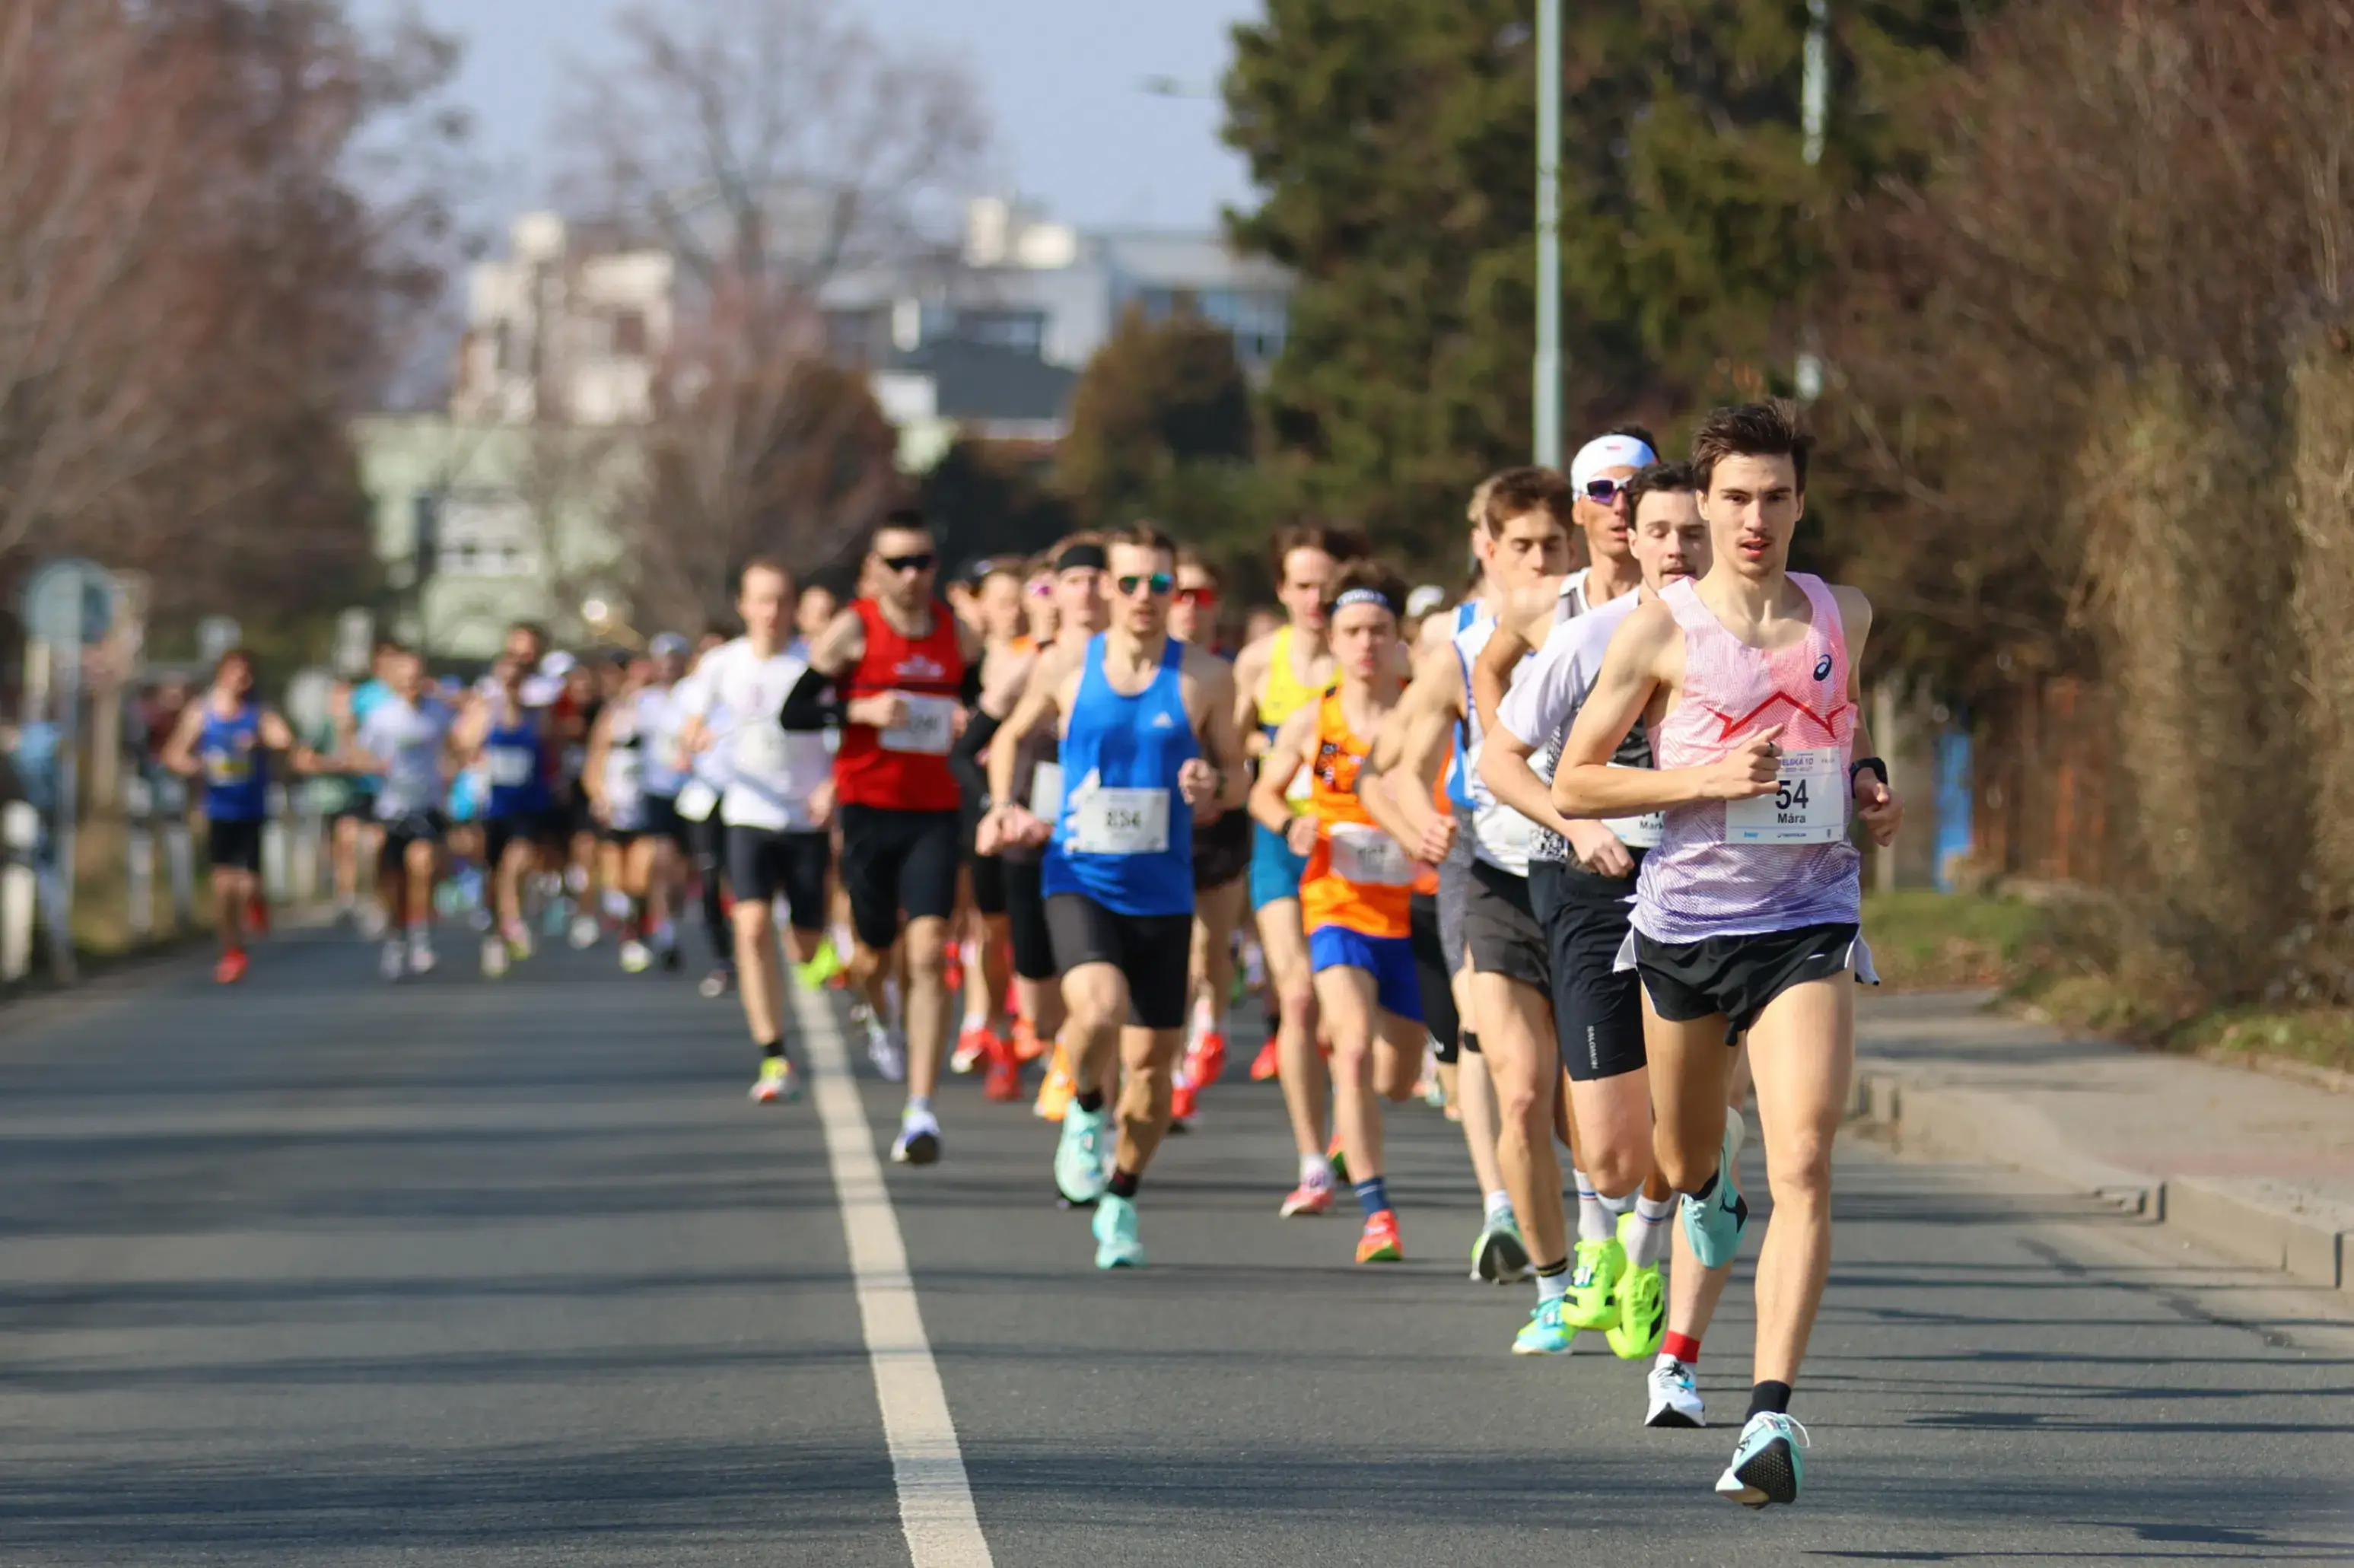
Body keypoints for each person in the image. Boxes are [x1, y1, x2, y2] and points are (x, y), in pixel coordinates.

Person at [1552, 402, 1901, 1506]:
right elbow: (1575, 781)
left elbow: (1842, 735)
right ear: (1702, 505)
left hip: (1807, 918)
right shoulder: (1659, 630)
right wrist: (1699, 781)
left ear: (1802, 503)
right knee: (1687, 1154)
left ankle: (1767, 1417)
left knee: (1802, 1160)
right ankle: (1702, 1196)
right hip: (1686, 928)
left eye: (1775, 497)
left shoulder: (1842, 612)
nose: (1754, 518)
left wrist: (1868, 789)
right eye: (1735, 497)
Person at [1482, 460, 1745, 1421]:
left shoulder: (1740, 643)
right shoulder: (1586, 638)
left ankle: (1639, 1262)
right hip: (1589, 881)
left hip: (1706, 890)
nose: (1678, 549)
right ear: (1627, 540)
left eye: (1692, 532)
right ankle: (1618, 1233)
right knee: (1610, 1149)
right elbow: (1497, 758)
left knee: (1681, 1140)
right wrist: (1576, 821)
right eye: (1661, 531)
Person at [981, 525, 1243, 1267]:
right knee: (1094, 1007)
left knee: (1154, 1071)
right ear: (1106, 588)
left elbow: (1237, 775)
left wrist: (1213, 786)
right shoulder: (1068, 663)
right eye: (1127, 583)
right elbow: (1007, 738)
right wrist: (1001, 803)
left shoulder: (1205, 679)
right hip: (1078, 874)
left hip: (1162, 894)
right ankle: (1084, 1110)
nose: (1142, 598)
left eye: (1160, 585)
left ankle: (1122, 1197)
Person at [1360, 469, 1574, 1291]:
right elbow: (1392, 766)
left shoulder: (1602, 625)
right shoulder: (1454, 639)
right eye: (1518, 545)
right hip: (1479, 865)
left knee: (1567, 1091)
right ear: (1486, 547)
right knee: (1496, 1051)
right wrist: (1414, 816)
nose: (1536, 560)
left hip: (1582, 867)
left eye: (1551, 545)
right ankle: (1500, 1209)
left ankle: (1574, 1206)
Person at [784, 510, 985, 1164]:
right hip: (868, 810)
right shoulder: (855, 627)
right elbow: (795, 710)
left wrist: (967, 720)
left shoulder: (958, 632)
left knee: (928, 950)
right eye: (897, 562)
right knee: (874, 954)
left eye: (922, 561)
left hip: (932, 810)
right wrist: (858, 709)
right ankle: (877, 1010)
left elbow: (986, 708)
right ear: (875, 567)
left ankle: (921, 1111)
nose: (911, 574)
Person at [1249, 561, 1423, 1264]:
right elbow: (1261, 792)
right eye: (1352, 629)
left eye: (1378, 629)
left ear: (1397, 636)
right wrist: (1287, 822)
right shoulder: (1310, 716)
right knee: (1347, 1048)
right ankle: (1378, 1215)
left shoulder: (1423, 709)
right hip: (1336, 903)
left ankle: (1364, 1138)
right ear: (1336, 635)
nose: (1364, 644)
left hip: (1413, 915)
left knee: (1397, 1077)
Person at [676, 561, 843, 1105]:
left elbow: (848, 733)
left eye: (782, 601)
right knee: (749, 927)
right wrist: (692, 737)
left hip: (804, 819)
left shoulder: (813, 663)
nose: (772, 612)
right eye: (762, 601)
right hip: (747, 812)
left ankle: (833, 967)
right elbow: (691, 721)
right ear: (744, 605)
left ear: (793, 607)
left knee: (805, 944)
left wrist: (830, 787)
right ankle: (774, 1053)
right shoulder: (722, 664)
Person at [1229, 523, 1358, 1210]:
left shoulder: (1362, 656)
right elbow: (1230, 740)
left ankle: (1349, 1127)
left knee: (1344, 1015)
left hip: (1351, 848)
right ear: (1281, 590)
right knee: (1298, 995)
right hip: (1283, 838)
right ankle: (1312, 1157)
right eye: (1302, 585)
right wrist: (1271, 743)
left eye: (1326, 585)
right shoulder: (1257, 661)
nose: (1315, 599)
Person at [159, 649, 301, 984]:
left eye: (246, 673)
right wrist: (197, 765)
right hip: (219, 809)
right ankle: (232, 952)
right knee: (223, 887)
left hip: (251, 808)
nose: (241, 679)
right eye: (235, 672)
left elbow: (285, 740)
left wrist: (262, 744)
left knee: (248, 884)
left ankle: (257, 904)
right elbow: (173, 754)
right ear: (222, 674)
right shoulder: (202, 712)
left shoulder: (258, 713)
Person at [1169, 546, 1249, 1121]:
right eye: (1179, 594)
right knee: (1174, 951)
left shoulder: (1229, 670)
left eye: (1201, 596)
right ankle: (1174, 1072)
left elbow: (1241, 752)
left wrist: (1220, 783)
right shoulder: (1152, 669)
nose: (1189, 607)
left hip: (1220, 822)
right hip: (1160, 827)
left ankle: (1212, 1019)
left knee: (1209, 946)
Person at [950, 558, 1028, 1080]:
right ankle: (983, 1019)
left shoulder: (1037, 660)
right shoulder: (966, 665)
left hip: (1026, 803)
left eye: (1020, 598)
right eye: (1001, 600)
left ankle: (1007, 1023)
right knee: (984, 921)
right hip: (974, 802)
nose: (1013, 610)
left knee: (1018, 922)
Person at [344, 647, 460, 979]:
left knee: (422, 866)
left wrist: (453, 771)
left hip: (427, 806)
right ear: (395, 681)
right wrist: (372, 764)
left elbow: (453, 749)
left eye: (417, 678)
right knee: (393, 880)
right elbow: (358, 755)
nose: (412, 684)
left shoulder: (437, 713)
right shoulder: (382, 716)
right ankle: (395, 940)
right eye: (406, 679)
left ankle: (421, 939)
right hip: (391, 807)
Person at [455, 652, 560, 978]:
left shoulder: (537, 714)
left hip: (527, 802)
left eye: (517, 681)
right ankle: (496, 933)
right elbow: (461, 744)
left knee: (519, 862)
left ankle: (513, 923)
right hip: (491, 805)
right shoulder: (483, 712)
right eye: (506, 680)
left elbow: (551, 748)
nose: (511, 686)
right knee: (493, 872)